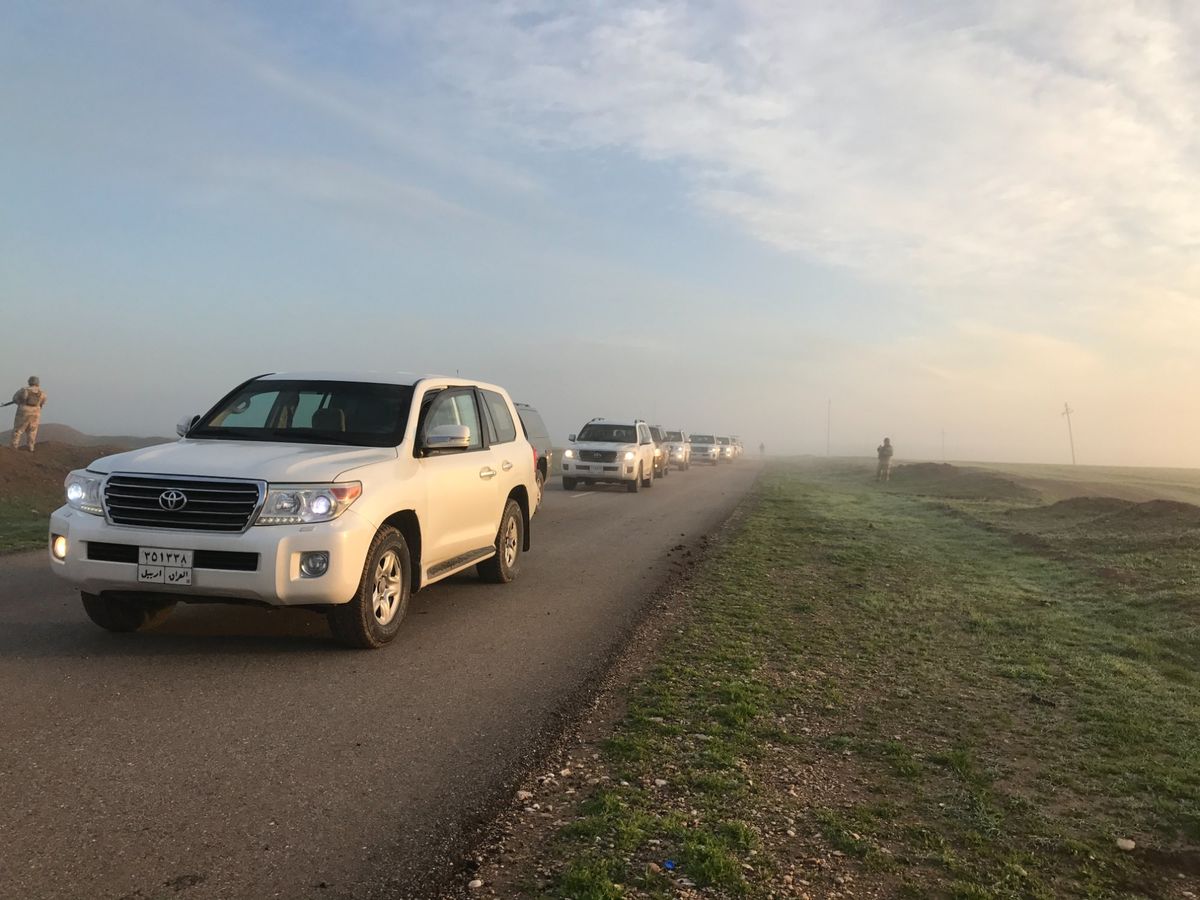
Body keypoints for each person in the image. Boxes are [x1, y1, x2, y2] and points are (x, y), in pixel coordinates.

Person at [9, 376, 47, 452]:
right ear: (38, 383)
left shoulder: (23, 390)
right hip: (36, 412)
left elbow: (15, 399)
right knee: (32, 431)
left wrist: (20, 404)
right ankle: (31, 447)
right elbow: (43, 403)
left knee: (18, 430)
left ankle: (13, 448)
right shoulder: (42, 393)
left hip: (23, 411)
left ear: (29, 382)